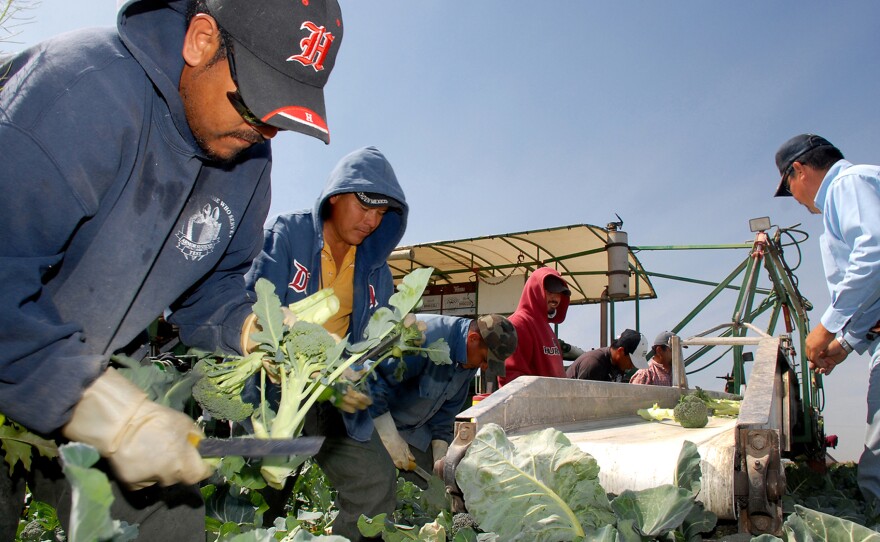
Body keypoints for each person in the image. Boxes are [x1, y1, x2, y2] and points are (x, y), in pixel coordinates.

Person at [0, 0, 344, 539]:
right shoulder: (75, 94)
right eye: (255, 104)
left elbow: (213, 290)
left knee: (169, 519)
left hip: (102, 375)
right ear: (201, 40)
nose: (265, 132)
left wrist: (254, 330)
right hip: (27, 354)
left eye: (283, 117)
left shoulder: (247, 160)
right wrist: (96, 407)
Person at [244, 146, 406, 540]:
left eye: (382, 214)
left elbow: (374, 347)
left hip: (336, 396)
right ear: (336, 196)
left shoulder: (376, 270)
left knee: (375, 482)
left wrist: (379, 410)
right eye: (364, 207)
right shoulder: (288, 234)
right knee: (257, 494)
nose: (372, 222)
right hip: (277, 392)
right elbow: (252, 308)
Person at [772, 133, 880, 504]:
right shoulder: (853, 190)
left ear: (798, 171)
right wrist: (846, 345)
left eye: (788, 187)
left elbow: (874, 252)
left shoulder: (846, 185)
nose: (797, 201)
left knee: (877, 464)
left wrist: (826, 327)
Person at [369, 314, 518, 488]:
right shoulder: (424, 339)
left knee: (425, 492)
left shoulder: (469, 361)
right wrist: (388, 436)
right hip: (371, 419)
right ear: (473, 338)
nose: (484, 367)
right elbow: (370, 382)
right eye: (485, 360)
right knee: (377, 493)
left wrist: (440, 450)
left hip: (415, 431)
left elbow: (447, 409)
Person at [497, 267, 572, 387]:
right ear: (535, 290)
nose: (555, 298)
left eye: (559, 293)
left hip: (552, 404)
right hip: (532, 404)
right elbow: (510, 378)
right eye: (549, 292)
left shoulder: (546, 328)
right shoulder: (517, 324)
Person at [566, 329, 648, 383]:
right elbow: (583, 400)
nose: (632, 367)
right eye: (631, 361)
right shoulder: (594, 364)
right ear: (621, 351)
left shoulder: (619, 365)